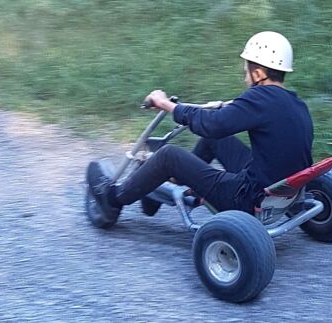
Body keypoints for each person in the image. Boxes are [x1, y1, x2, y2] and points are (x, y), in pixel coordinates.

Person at [86, 31, 313, 224]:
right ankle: (170, 182)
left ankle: (112, 200)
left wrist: (168, 106)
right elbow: (232, 124)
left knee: (169, 156)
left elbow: (212, 125)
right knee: (215, 141)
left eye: (246, 71)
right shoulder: (294, 103)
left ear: (258, 73)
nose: (244, 77)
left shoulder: (258, 99)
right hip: (282, 189)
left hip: (248, 198)